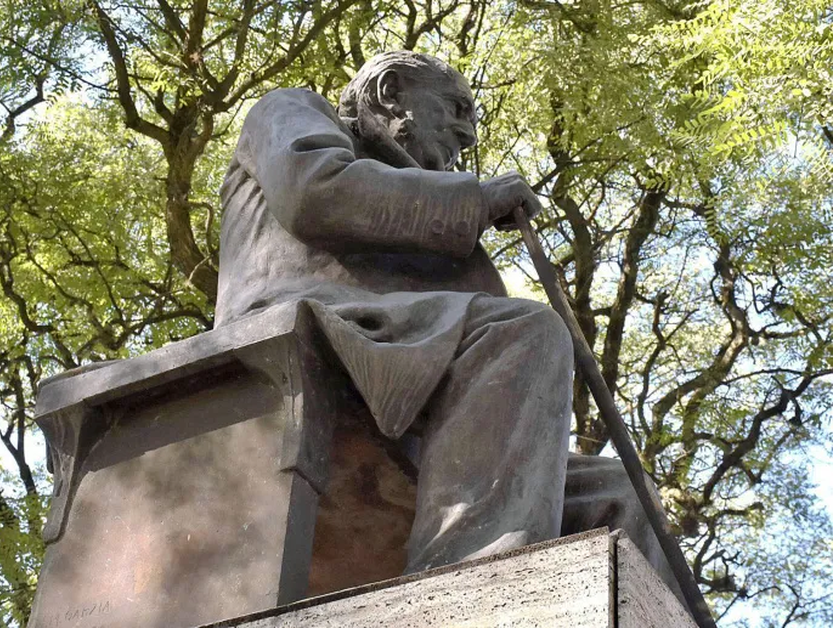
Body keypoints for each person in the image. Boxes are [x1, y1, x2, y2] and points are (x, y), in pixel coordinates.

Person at [216, 50, 679, 594]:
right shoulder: (293, 110)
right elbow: (312, 191)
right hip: (312, 327)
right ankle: (474, 593)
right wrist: (474, 200)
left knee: (623, 492)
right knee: (526, 332)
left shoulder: (434, 229)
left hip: (405, 373)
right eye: (456, 108)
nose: (468, 135)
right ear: (390, 93)